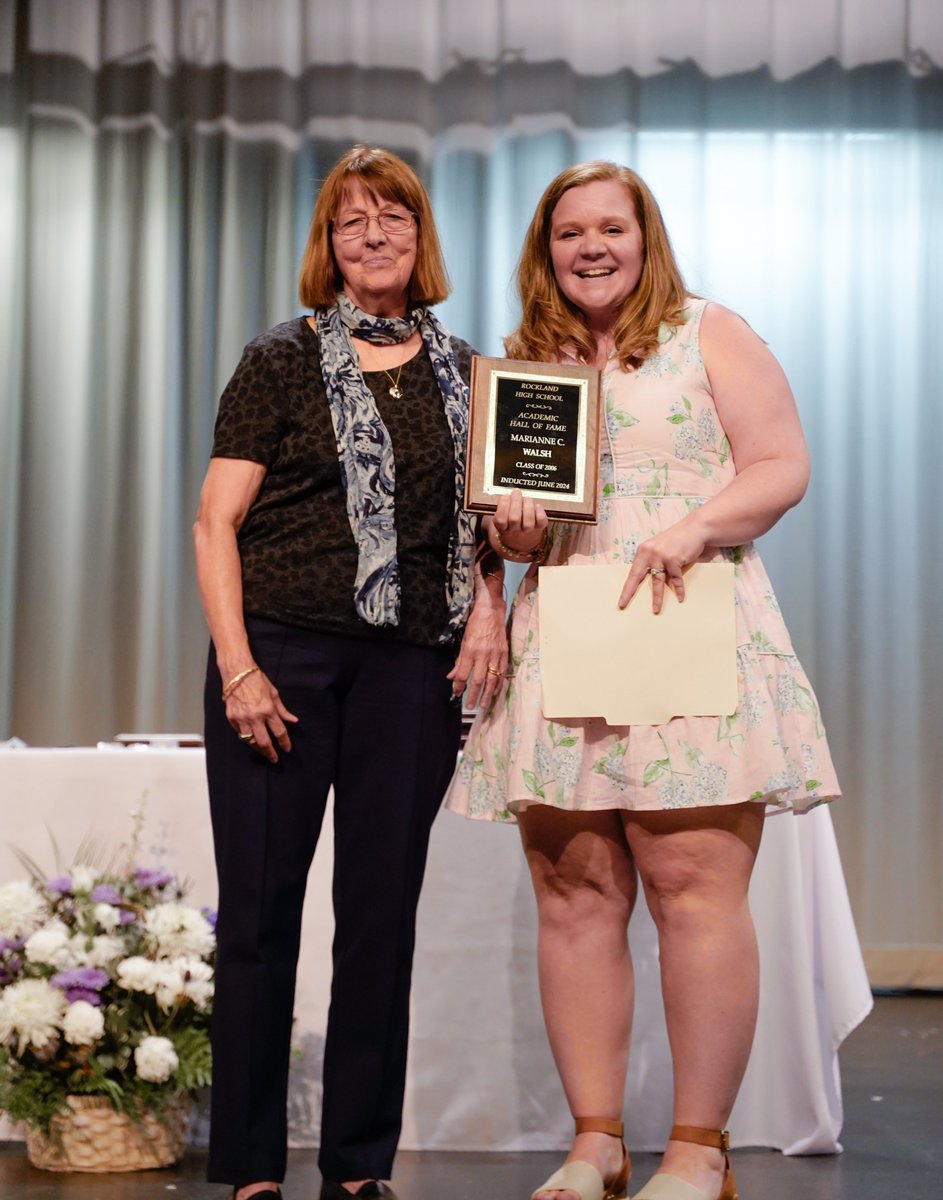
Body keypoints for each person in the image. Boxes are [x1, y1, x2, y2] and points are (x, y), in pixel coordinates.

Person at [445, 161, 840, 1200]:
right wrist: (513, 529)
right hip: (567, 626)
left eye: (609, 228)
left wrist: (691, 527)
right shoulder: (528, 363)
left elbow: (779, 464)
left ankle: (698, 1153)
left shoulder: (709, 331)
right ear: (545, 248)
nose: (590, 247)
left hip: (688, 619)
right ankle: (596, 1143)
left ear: (643, 236)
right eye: (568, 232)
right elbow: (504, 520)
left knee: (691, 888)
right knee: (575, 892)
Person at [193, 145, 508, 1200]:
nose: (371, 236)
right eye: (349, 222)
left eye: (392, 219)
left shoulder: (473, 376)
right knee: (260, 917)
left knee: (381, 915)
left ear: (423, 241)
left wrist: (490, 610)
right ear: (325, 247)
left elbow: (491, 535)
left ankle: (358, 1167)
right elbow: (214, 522)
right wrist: (238, 669)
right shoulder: (279, 359)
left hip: (411, 672)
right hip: (278, 657)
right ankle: (244, 1165)